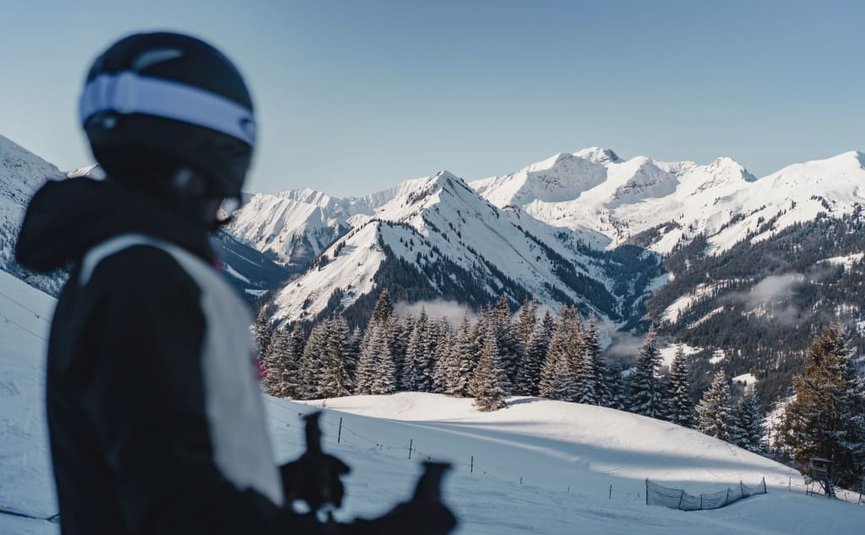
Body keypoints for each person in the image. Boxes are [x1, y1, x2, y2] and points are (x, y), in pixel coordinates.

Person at [15, 32, 456, 535]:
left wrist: (274, 485)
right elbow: (179, 513)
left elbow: (158, 465)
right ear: (213, 141)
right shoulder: (143, 278)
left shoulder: (124, 266)